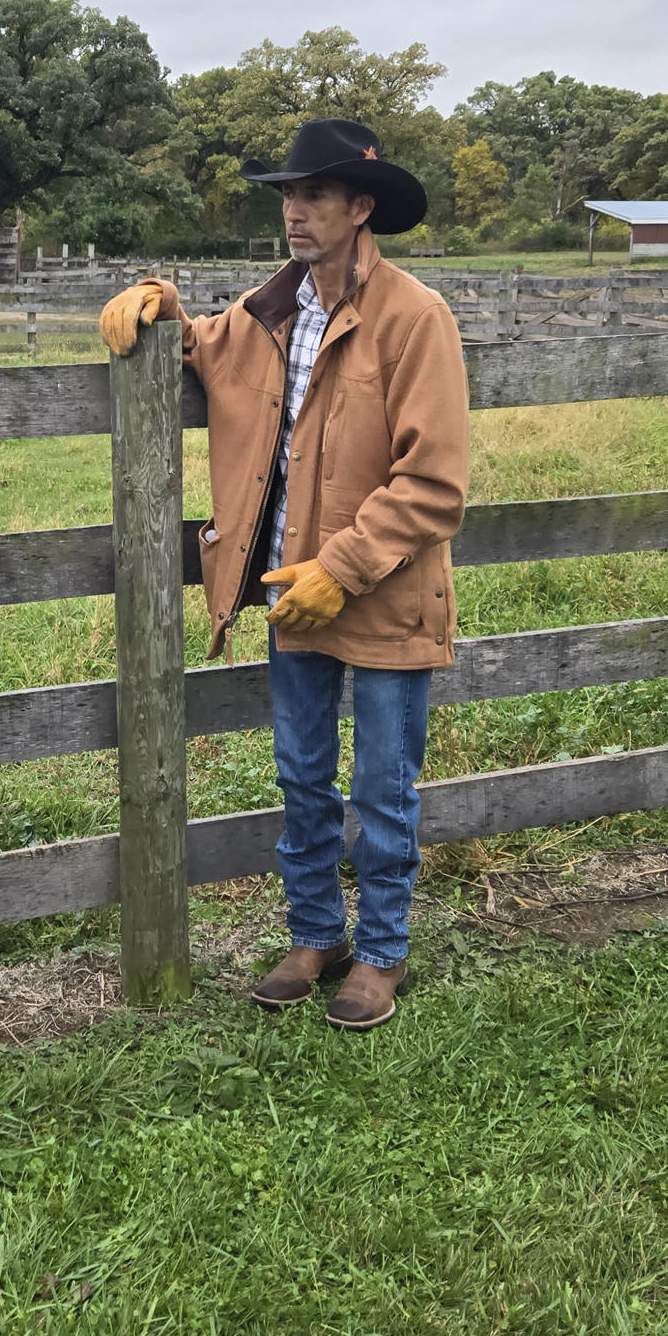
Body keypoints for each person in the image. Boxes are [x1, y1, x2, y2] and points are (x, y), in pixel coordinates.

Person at [100, 120, 469, 1030]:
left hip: (377, 590)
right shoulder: (270, 313)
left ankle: (381, 951)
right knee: (304, 778)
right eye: (287, 196)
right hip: (290, 591)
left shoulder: (417, 319)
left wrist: (342, 569)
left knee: (384, 787)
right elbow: (198, 346)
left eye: (312, 196)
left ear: (360, 208)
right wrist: (161, 306)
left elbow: (433, 481)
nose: (293, 212)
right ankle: (316, 934)